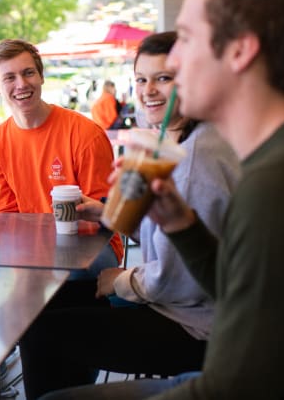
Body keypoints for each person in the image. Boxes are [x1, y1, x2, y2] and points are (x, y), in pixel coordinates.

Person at [42, 0, 284, 400]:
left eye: (186, 39)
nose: (175, 62)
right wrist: (181, 225)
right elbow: (240, 291)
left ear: (241, 51)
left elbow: (235, 388)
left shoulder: (282, 184)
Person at [18, 32, 240, 399]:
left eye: (163, 78)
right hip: (184, 308)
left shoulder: (195, 161)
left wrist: (122, 280)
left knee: (41, 333)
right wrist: (109, 212)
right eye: (141, 79)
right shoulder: (180, 140)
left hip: (199, 330)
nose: (148, 90)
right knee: (64, 302)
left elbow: (179, 278)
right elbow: (174, 237)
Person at [0, 39, 123, 274]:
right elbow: (7, 218)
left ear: (41, 77)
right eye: (10, 77)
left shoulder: (85, 134)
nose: (21, 84)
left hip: (91, 245)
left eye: (28, 73)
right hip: (31, 247)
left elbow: (100, 220)